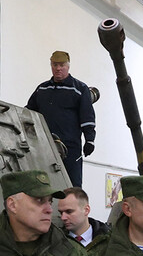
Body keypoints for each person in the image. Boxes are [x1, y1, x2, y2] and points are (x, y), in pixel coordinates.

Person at [27, 51, 96, 187]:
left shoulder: (80, 89)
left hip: (70, 148)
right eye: (55, 65)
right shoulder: (42, 89)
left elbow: (87, 116)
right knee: (42, 185)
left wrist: (90, 140)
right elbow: (28, 112)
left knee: (72, 186)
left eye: (62, 65)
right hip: (43, 146)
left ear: (68, 66)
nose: (58, 68)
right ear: (51, 65)